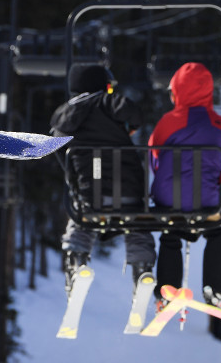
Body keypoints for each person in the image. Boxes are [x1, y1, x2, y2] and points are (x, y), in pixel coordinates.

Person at [51, 64, 155, 294]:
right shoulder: (108, 102)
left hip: (91, 196)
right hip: (128, 193)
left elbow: (61, 155)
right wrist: (128, 128)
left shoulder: (62, 117)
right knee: (137, 225)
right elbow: (135, 113)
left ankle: (76, 263)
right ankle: (142, 269)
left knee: (82, 222)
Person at [149, 62, 221, 313]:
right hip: (208, 199)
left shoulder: (167, 123)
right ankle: (218, 290)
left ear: (176, 92)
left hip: (169, 199)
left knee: (171, 235)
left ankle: (168, 292)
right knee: (219, 230)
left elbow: (154, 158)